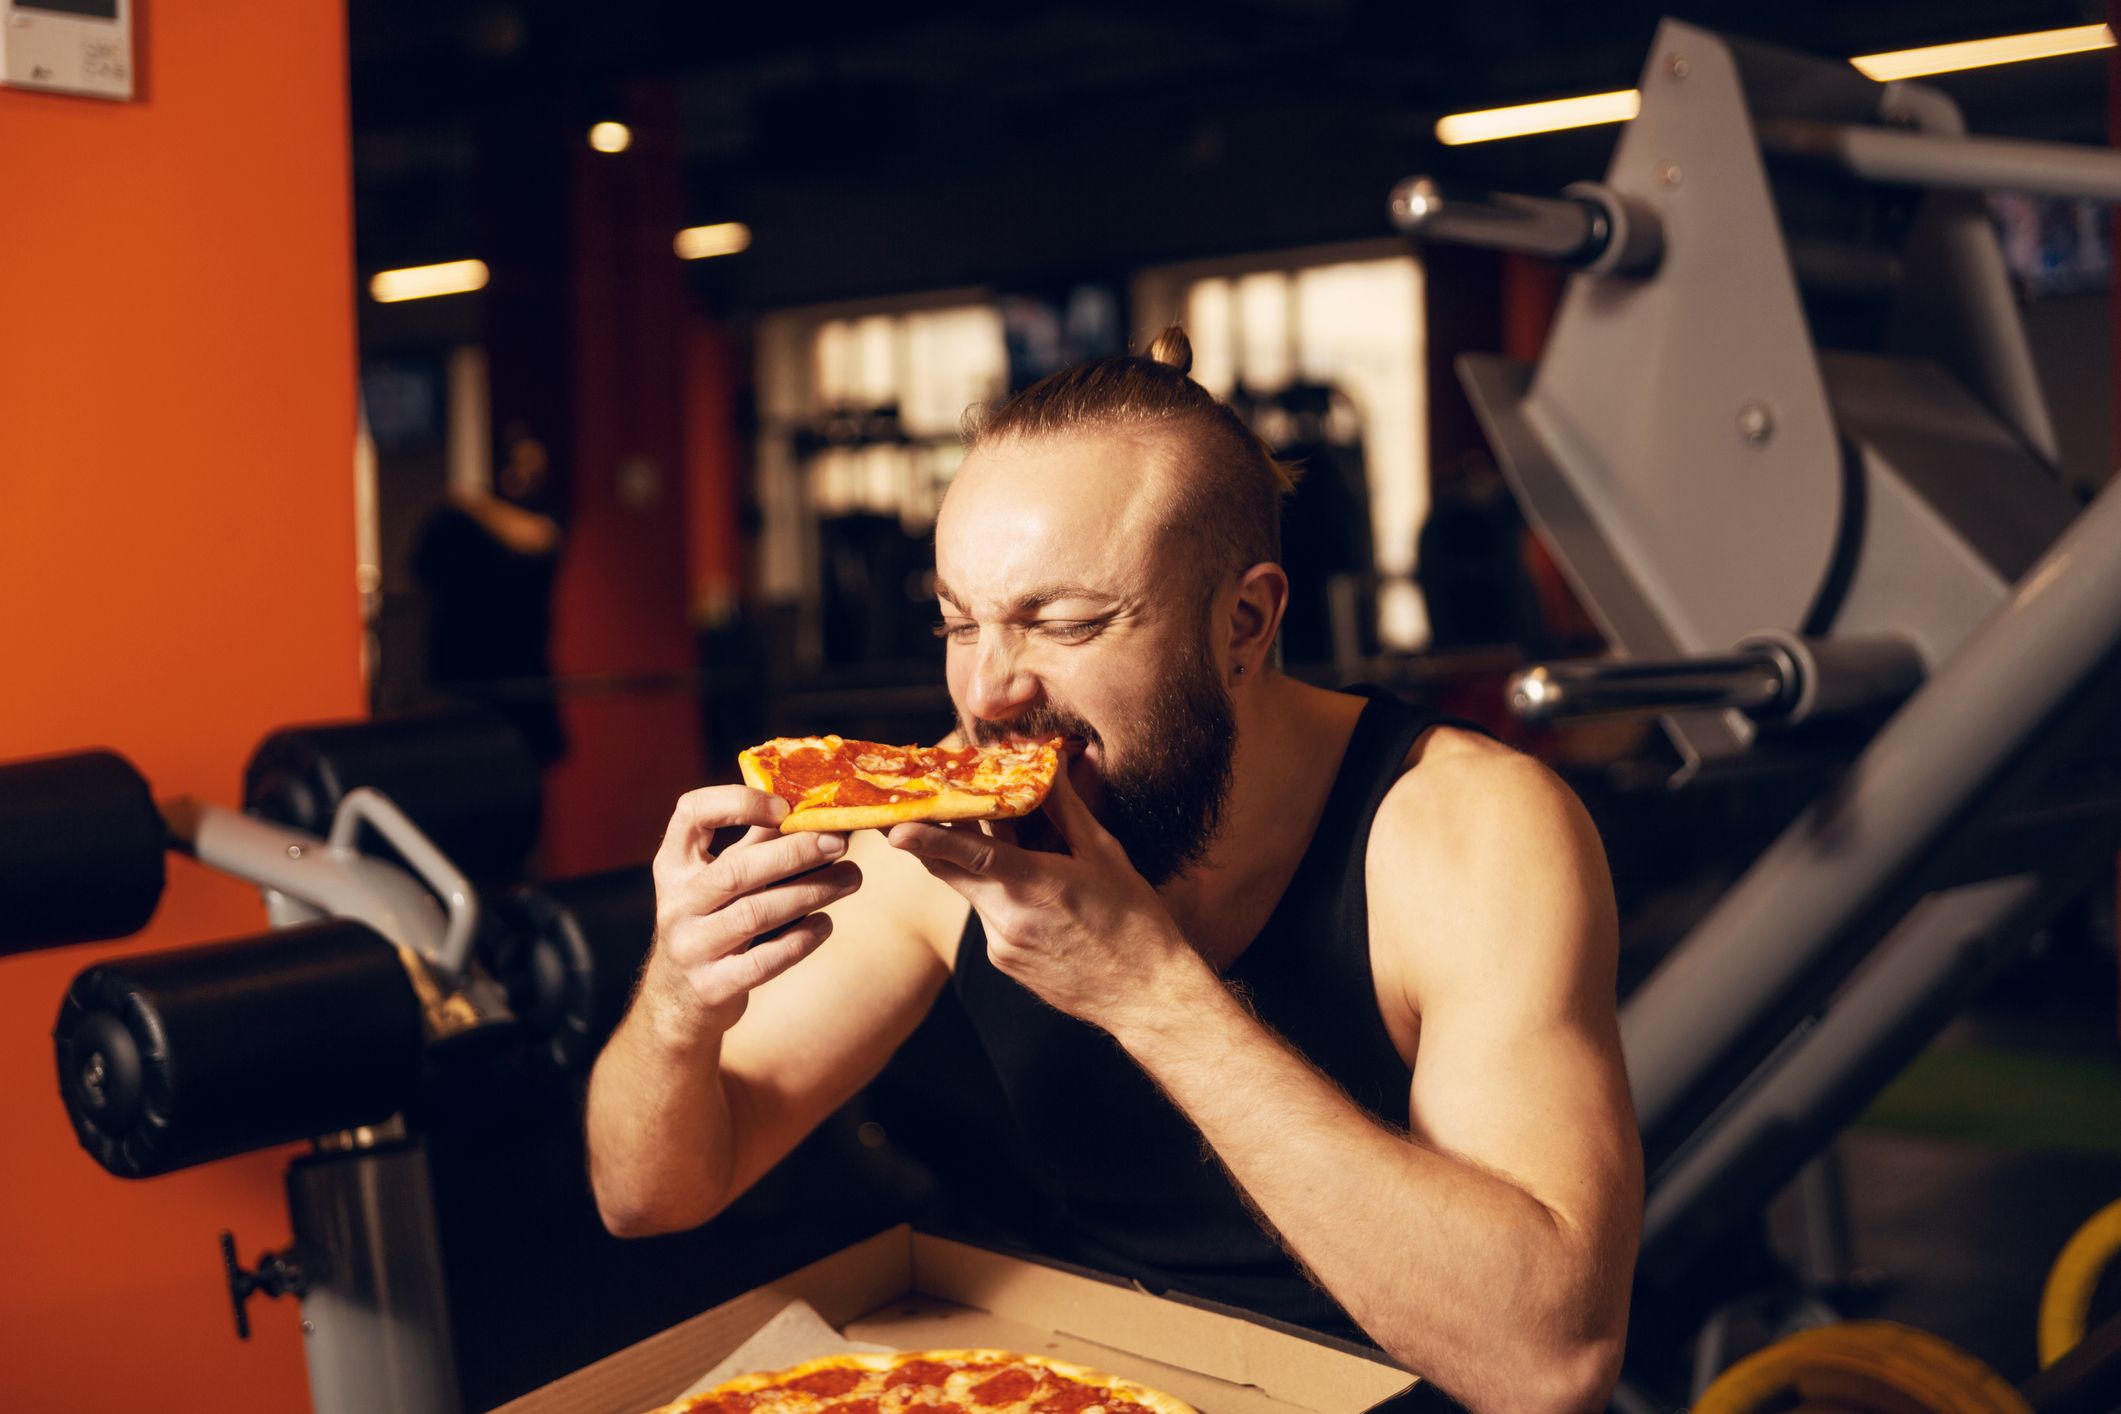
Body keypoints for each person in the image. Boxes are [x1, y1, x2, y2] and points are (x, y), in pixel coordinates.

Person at [585, 329, 1640, 1412]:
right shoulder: (947, 817)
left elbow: (1547, 1364)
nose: (989, 695)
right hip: (1070, 1370)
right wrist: (676, 1002)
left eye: (1067, 622)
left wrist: (1153, 995)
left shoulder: (1473, 831)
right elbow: (650, 1193)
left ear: (1244, 622)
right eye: (959, 623)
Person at [411, 423, 568, 763]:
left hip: (521, 672)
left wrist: (471, 503)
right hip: (463, 673)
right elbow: (421, 571)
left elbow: (536, 538)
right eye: (518, 462)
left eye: (534, 465)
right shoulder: (454, 522)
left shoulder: (541, 514)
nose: (525, 474)